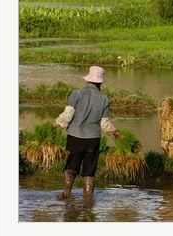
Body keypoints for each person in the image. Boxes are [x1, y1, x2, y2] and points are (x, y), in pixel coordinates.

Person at [53, 65, 125, 200]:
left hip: (75, 137)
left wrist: (56, 124)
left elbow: (68, 115)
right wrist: (117, 133)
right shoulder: (104, 99)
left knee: (71, 167)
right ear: (100, 82)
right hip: (93, 140)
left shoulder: (77, 94)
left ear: (88, 79)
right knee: (89, 171)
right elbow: (105, 124)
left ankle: (67, 193)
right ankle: (88, 200)